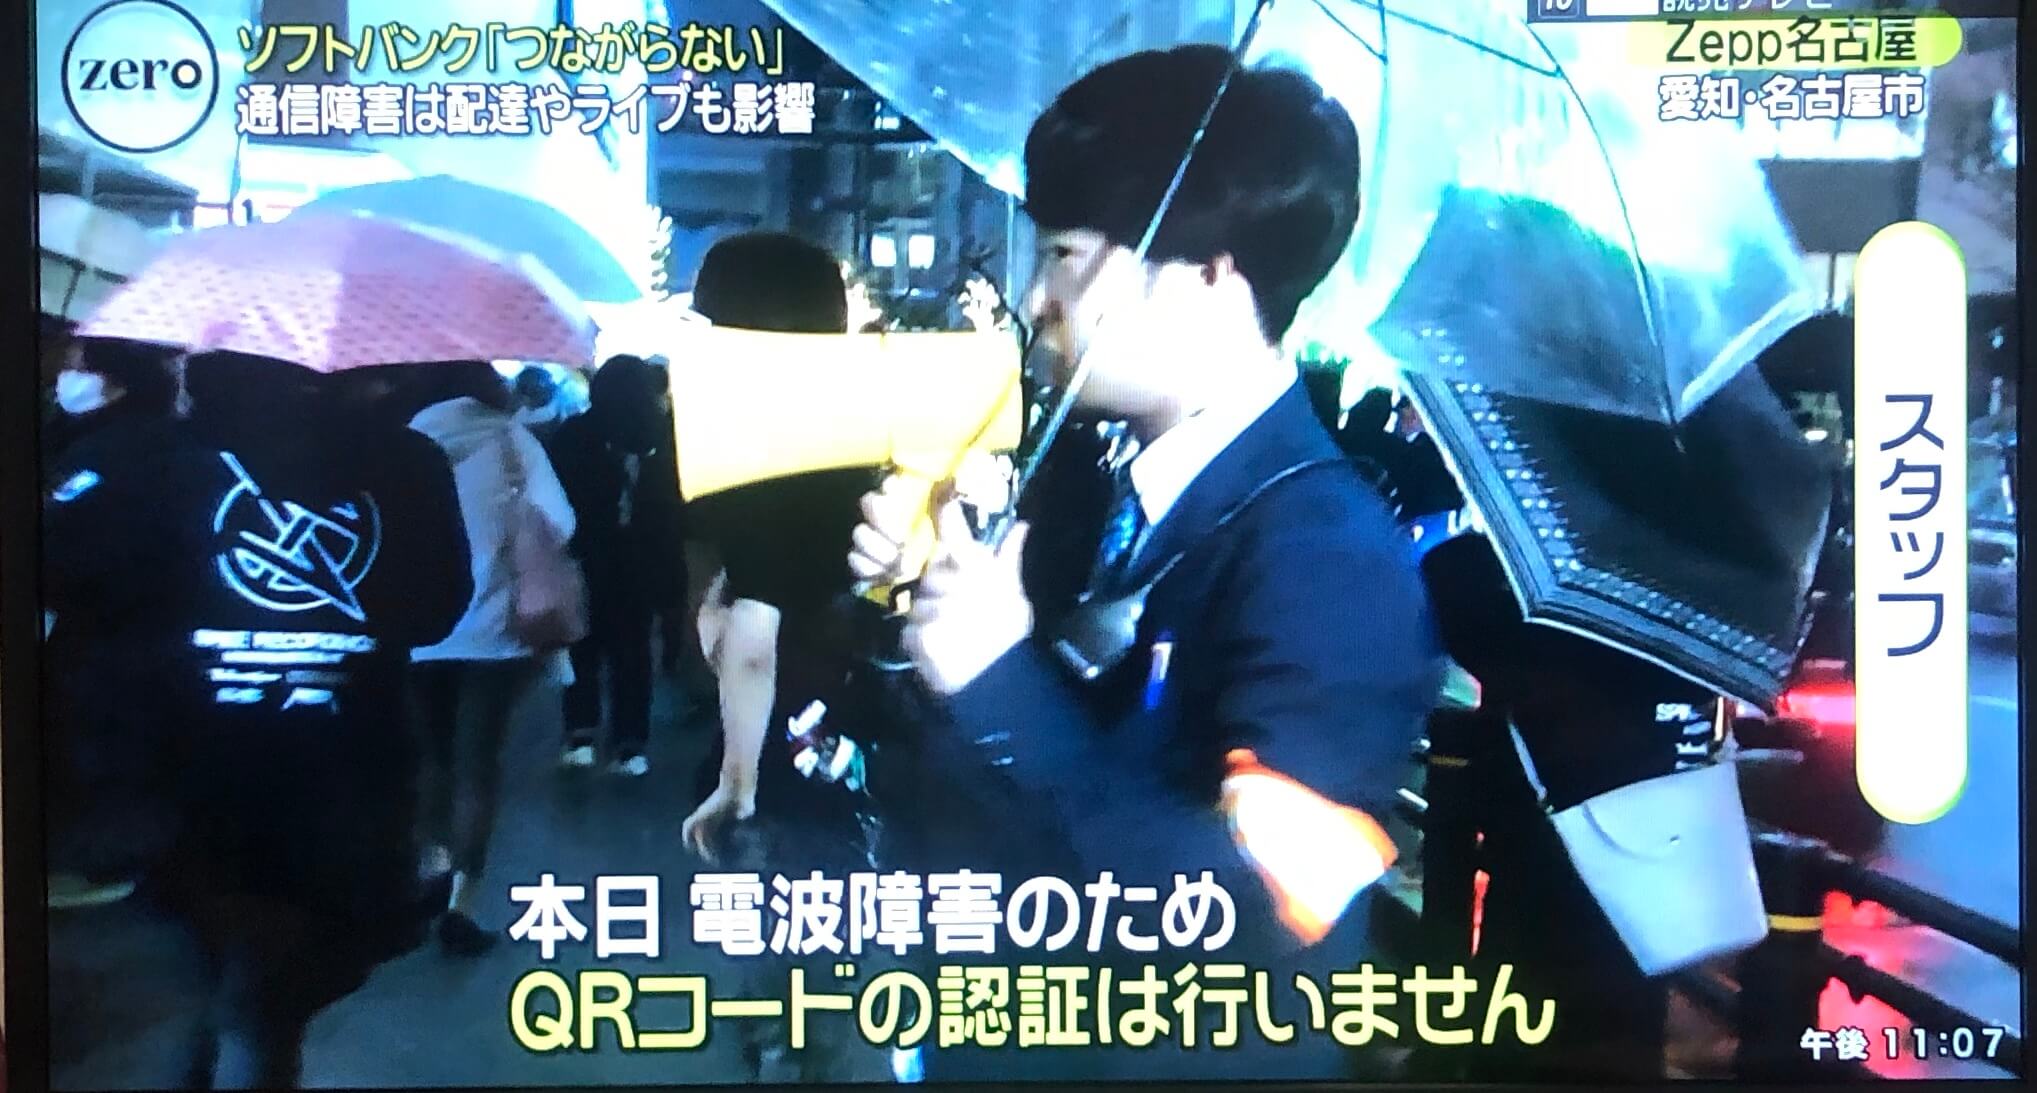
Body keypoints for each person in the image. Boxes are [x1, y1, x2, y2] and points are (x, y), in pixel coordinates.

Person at [848, 46, 1443, 1082]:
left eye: (1063, 254)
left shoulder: (1329, 557)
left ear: (1210, 275)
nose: (1035, 297)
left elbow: (1260, 914)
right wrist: (921, 608)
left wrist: (999, 680)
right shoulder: (1096, 487)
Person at [43, 350, 472, 1089]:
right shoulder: (404, 461)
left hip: (168, 773)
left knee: (196, 970)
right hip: (342, 773)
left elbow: (59, 574)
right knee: (273, 1003)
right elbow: (436, 611)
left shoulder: (131, 456)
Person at [403, 362, 578, 956]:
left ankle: (428, 868)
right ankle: (461, 904)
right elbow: (560, 522)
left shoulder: (404, 443)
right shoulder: (511, 442)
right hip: (493, 632)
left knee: (431, 760)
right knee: (476, 766)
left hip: (418, 636)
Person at [546, 354, 686, 775]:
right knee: (634, 651)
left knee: (582, 647)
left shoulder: (572, 434)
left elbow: (554, 497)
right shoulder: (663, 435)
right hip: (641, 561)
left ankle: (581, 734)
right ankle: (630, 744)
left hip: (584, 556)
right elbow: (675, 506)